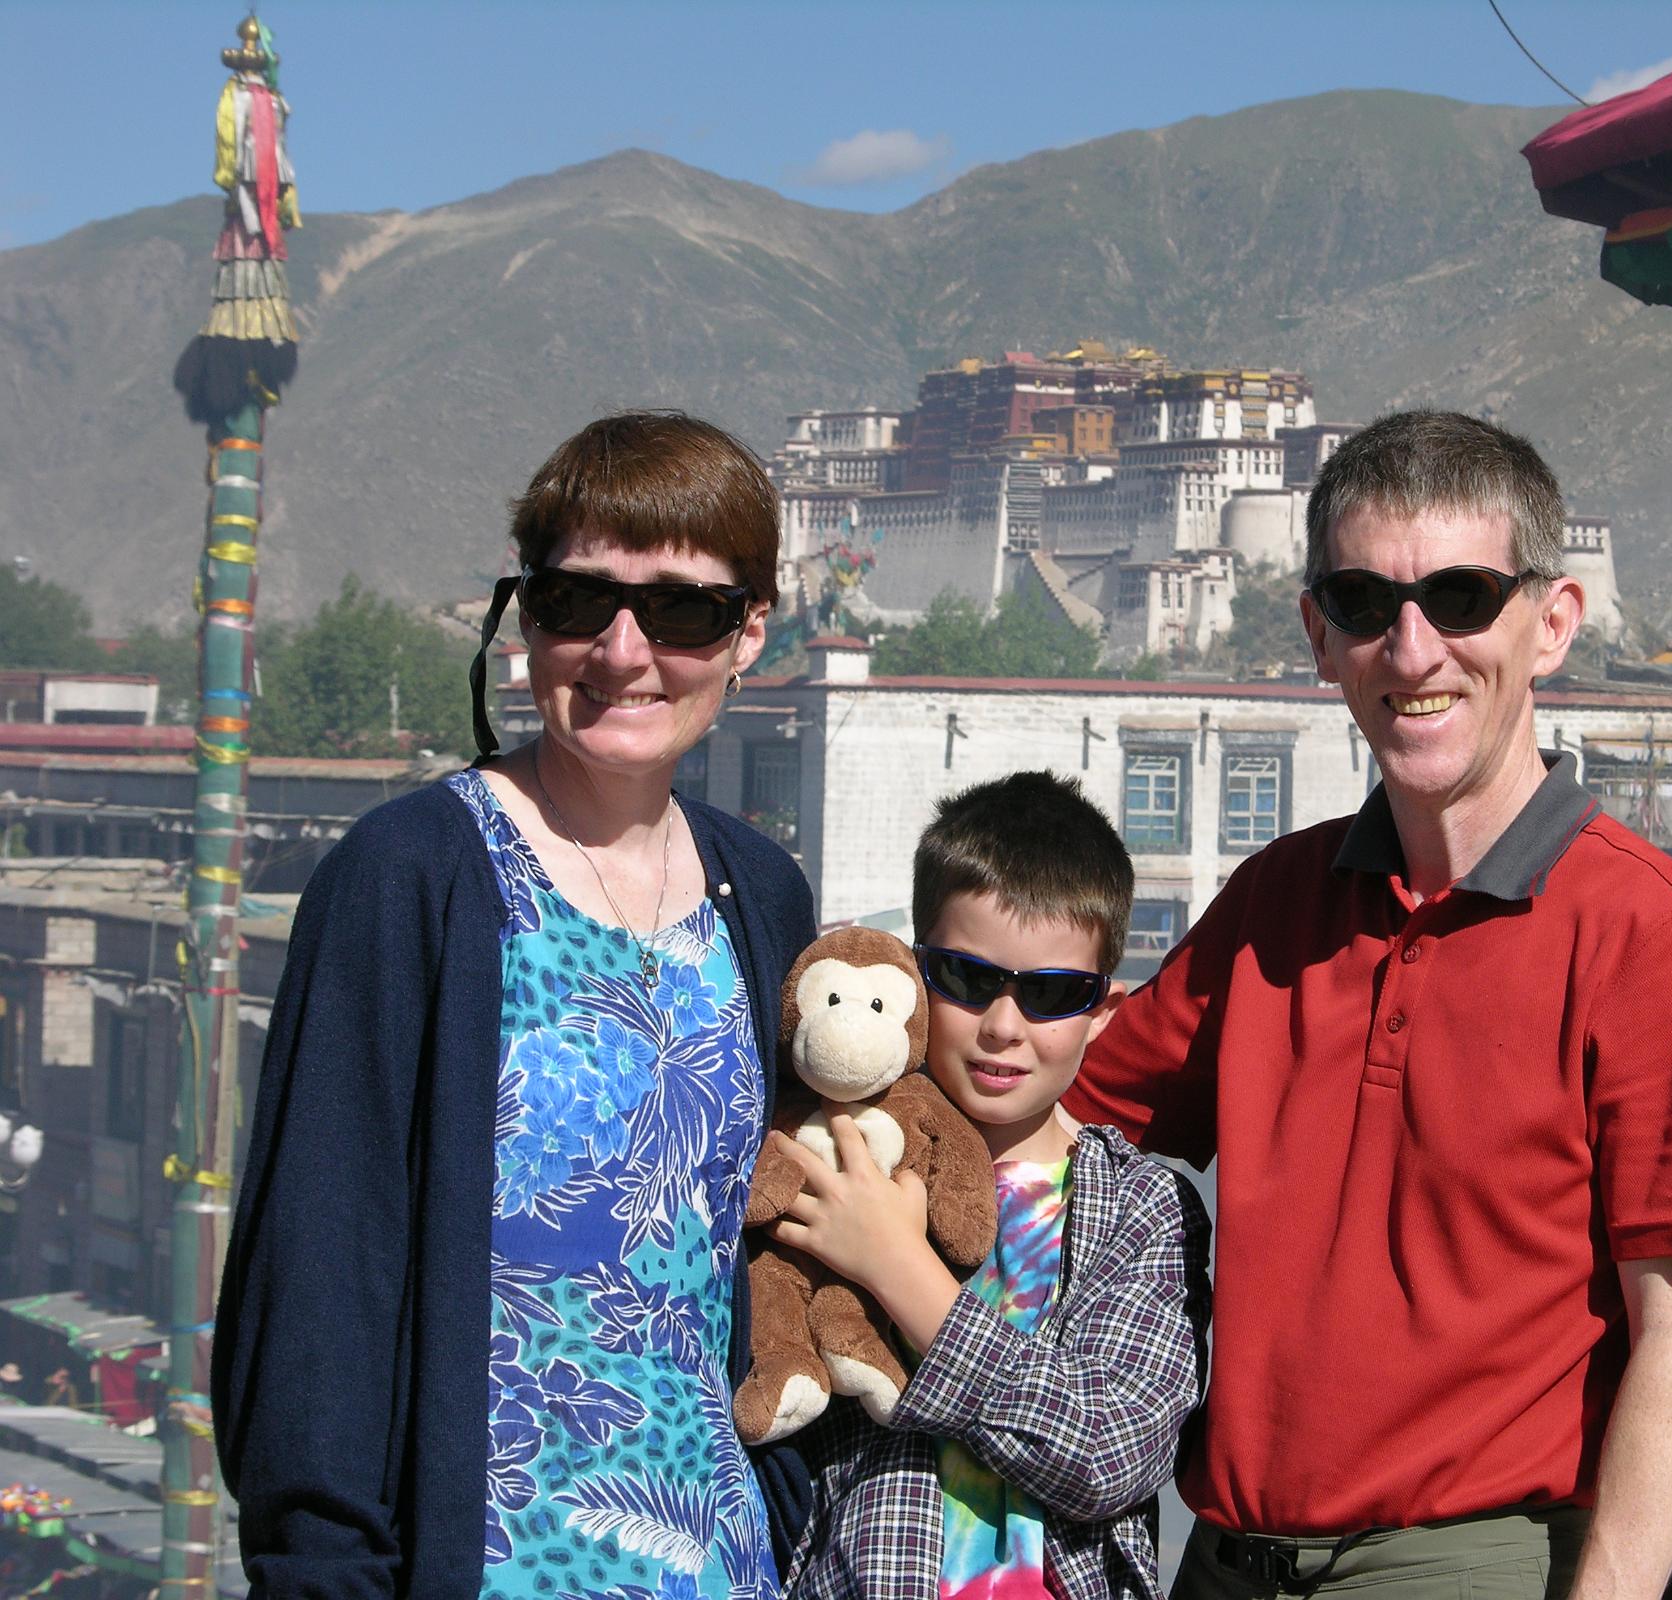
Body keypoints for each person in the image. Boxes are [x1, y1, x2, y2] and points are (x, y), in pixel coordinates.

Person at [1066, 411, 1672, 1600]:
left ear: (1550, 626)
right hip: (1224, 1562)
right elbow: (1067, 1122)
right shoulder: (1277, 902)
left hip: (1462, 1564)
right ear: (1317, 636)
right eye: (1363, 603)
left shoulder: (1653, 937)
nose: (1413, 647)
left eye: (1459, 596)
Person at [213, 411, 819, 1599]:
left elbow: (773, 1251)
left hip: (724, 1567)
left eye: (684, 611)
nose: (624, 652)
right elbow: (320, 1271)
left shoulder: (766, 895)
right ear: (523, 618)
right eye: (577, 602)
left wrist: (784, 1505)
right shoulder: (413, 878)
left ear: (752, 630)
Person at [773, 771, 1212, 1600]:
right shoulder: (833, 1159)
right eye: (970, 980)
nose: (1004, 1027)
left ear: (1103, 1010)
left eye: (1051, 994)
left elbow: (1109, 1454)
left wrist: (900, 1272)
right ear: (912, 977)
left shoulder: (1144, 1208)